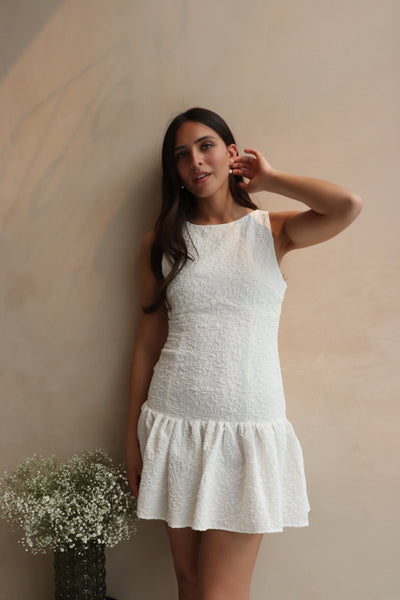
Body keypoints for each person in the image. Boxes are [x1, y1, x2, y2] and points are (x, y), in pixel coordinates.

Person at [126, 107, 362, 600]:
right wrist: (131, 438)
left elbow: (347, 206)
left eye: (206, 146)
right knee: (190, 585)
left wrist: (271, 179)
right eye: (181, 155)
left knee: (220, 593)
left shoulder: (270, 230)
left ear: (231, 153)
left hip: (245, 432)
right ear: (174, 171)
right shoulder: (161, 242)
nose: (195, 161)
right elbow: (146, 343)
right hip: (174, 423)